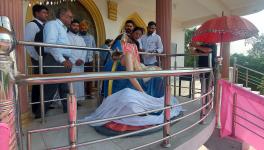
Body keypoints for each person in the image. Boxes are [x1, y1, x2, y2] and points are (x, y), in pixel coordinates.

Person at [103, 28, 164, 98]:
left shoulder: (130, 53)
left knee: (158, 73)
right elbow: (131, 75)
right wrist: (143, 93)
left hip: (139, 72)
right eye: (126, 43)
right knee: (157, 77)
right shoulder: (127, 55)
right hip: (137, 75)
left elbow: (137, 67)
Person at [43, 8, 74, 114]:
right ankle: (40, 113)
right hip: (55, 59)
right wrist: (62, 60)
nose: (71, 19)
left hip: (62, 59)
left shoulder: (63, 29)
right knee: (50, 88)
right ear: (62, 16)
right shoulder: (52, 25)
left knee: (65, 87)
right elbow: (50, 44)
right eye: (69, 17)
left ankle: (68, 110)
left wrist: (67, 59)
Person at [24, 4, 48, 118]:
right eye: (44, 12)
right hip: (38, 59)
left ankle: (43, 104)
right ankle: (36, 109)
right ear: (37, 13)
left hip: (44, 59)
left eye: (46, 13)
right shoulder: (32, 25)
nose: (46, 15)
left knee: (44, 82)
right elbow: (29, 44)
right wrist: (37, 58)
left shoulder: (44, 25)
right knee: (38, 83)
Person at [67, 19, 87, 103]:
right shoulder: (66, 36)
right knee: (71, 83)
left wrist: (82, 59)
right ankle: (71, 101)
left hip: (80, 64)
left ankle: (78, 99)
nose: (76, 27)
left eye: (77, 26)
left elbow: (85, 50)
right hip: (71, 63)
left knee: (79, 82)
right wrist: (75, 60)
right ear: (70, 26)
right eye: (74, 25)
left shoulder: (81, 38)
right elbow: (67, 50)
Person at [79, 20, 96, 99]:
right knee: (80, 79)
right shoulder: (77, 36)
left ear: (87, 28)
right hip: (79, 61)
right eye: (82, 26)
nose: (83, 28)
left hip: (89, 60)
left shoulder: (91, 37)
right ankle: (81, 94)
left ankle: (89, 94)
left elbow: (94, 48)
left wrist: (96, 58)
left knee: (89, 78)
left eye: (85, 26)